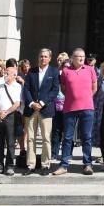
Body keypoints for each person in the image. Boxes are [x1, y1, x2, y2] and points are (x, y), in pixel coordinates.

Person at [54, 48, 98, 176]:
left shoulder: (90, 69)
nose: (82, 59)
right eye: (79, 56)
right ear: (72, 58)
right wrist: (73, 98)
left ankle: (87, 164)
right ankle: (64, 165)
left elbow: (94, 87)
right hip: (70, 108)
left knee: (87, 137)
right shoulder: (66, 72)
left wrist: (85, 97)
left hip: (87, 108)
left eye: (83, 57)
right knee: (67, 138)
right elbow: (63, 89)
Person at [23, 47, 59, 175]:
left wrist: (42, 103)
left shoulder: (54, 72)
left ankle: (45, 165)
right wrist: (32, 103)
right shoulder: (31, 72)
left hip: (46, 109)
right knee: (30, 139)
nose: (42, 58)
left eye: (45, 56)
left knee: (46, 138)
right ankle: (31, 165)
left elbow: (54, 91)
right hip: (31, 109)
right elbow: (25, 89)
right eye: (41, 56)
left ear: (49, 58)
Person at [0, 59, 22, 175]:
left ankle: (9, 166)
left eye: (7, 72)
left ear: (14, 75)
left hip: (11, 116)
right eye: (5, 71)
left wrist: (6, 112)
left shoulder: (18, 87)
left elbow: (17, 103)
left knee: (10, 142)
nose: (5, 73)